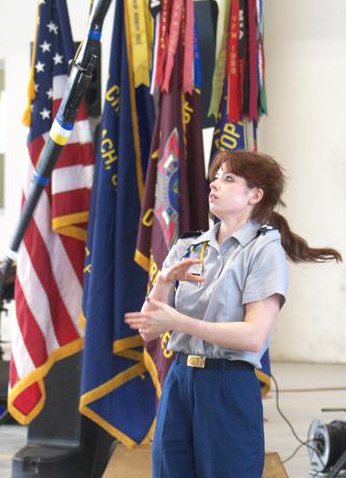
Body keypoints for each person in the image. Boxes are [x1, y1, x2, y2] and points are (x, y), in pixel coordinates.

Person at [125, 150, 342, 478]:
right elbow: (149, 329)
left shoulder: (263, 249)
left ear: (255, 195)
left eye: (228, 179)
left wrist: (178, 321)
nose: (215, 185)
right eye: (215, 177)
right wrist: (164, 279)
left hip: (227, 383)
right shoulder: (188, 246)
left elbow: (253, 336)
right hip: (181, 380)